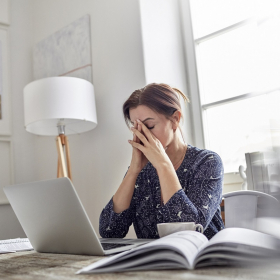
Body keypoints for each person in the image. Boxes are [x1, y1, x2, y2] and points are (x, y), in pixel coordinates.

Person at [99, 83, 224, 240]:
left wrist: (163, 165)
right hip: (154, 262)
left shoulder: (207, 162)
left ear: (175, 119)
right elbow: (109, 231)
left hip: (202, 260)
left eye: (149, 126)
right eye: (136, 128)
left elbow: (189, 230)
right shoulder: (141, 171)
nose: (142, 135)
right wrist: (133, 171)